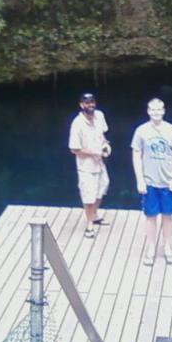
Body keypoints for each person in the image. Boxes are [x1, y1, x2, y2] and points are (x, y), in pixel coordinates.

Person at [131, 98, 172, 266]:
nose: (156, 112)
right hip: (149, 181)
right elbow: (136, 155)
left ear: (164, 110)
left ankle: (167, 247)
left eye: (159, 109)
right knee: (150, 216)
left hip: (167, 182)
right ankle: (151, 248)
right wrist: (140, 180)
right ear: (148, 111)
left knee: (168, 216)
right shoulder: (141, 131)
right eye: (152, 109)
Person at [68, 92, 111, 238]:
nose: (90, 105)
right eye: (87, 103)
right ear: (81, 105)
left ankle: (94, 215)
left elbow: (103, 136)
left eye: (92, 102)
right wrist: (94, 153)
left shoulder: (100, 116)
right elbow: (74, 149)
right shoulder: (77, 124)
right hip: (86, 166)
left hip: (100, 163)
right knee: (88, 195)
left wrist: (105, 146)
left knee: (103, 187)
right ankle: (89, 224)